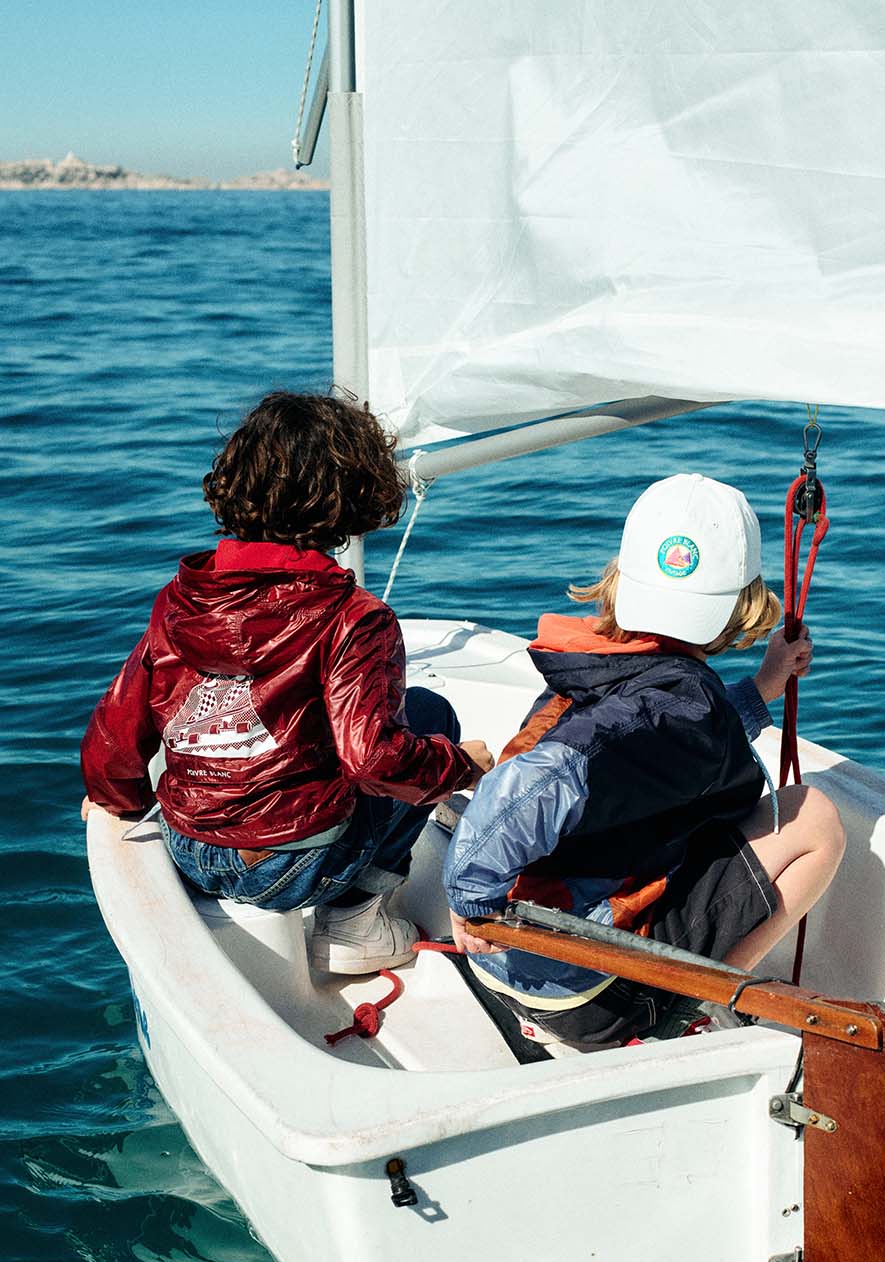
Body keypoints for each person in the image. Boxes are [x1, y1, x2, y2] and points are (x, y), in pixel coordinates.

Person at [81, 390, 494, 974]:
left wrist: (114, 798)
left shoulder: (182, 598)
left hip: (190, 849)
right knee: (431, 715)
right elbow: (372, 760)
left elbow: (115, 729)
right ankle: (353, 922)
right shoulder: (353, 617)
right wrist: (458, 767)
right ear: (358, 493)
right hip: (296, 869)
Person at [443, 472, 845, 1048]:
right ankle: (694, 1003)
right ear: (742, 602)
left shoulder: (598, 659)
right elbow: (540, 781)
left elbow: (658, 731)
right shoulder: (677, 707)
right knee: (815, 819)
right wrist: (470, 895)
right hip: (593, 996)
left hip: (505, 966)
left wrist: (762, 688)